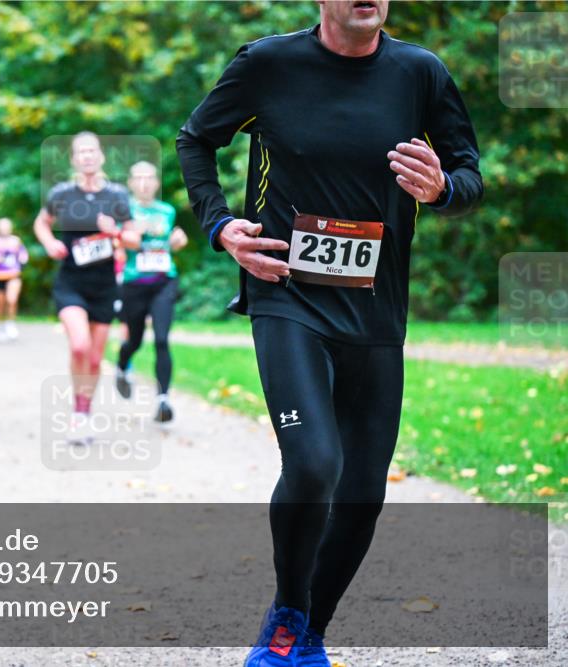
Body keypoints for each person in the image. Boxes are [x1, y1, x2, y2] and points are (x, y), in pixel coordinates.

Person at [176, 1, 482, 665]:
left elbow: (469, 174)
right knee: (315, 464)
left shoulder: (420, 73)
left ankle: (310, 631)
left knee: (363, 496)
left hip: (377, 311)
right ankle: (287, 616)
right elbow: (195, 140)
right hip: (286, 294)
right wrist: (221, 226)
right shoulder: (269, 64)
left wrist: (441, 190)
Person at [34, 132, 132, 437]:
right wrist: (50, 242)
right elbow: (41, 222)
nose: (87, 156)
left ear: (101, 156)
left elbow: (132, 238)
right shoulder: (62, 193)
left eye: (92, 151)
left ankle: (85, 411)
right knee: (79, 345)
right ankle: (77, 414)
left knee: (94, 357)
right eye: (81, 152)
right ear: (74, 159)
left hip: (104, 285)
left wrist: (114, 232)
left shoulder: (116, 196)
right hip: (70, 281)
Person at [114, 161, 187, 423]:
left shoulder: (166, 211)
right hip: (134, 284)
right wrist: (133, 234)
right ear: (131, 183)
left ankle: (163, 400)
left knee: (161, 339)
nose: (144, 183)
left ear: (157, 182)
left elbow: (171, 241)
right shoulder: (125, 210)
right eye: (138, 178)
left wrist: (177, 240)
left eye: (149, 178)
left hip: (163, 281)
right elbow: (127, 241)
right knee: (134, 340)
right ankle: (122, 367)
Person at [0, 217, 28, 341]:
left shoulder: (16, 241)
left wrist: (22, 260)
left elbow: (23, 255)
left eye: (6, 227)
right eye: (1, 227)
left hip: (14, 275)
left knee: (12, 300)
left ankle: (11, 324)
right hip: (0, 276)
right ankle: (1, 325)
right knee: (0, 303)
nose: (4, 229)